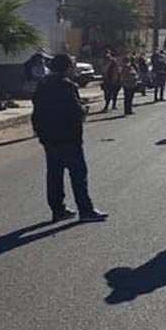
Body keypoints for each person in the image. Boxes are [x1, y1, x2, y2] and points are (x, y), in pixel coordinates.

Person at [31, 54, 106, 222]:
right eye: (72, 65)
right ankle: (85, 210)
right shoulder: (66, 85)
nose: (73, 69)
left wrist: (38, 130)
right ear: (66, 68)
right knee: (78, 174)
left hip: (49, 137)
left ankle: (58, 210)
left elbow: (36, 108)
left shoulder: (43, 83)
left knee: (54, 175)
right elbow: (74, 110)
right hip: (68, 136)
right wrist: (84, 111)